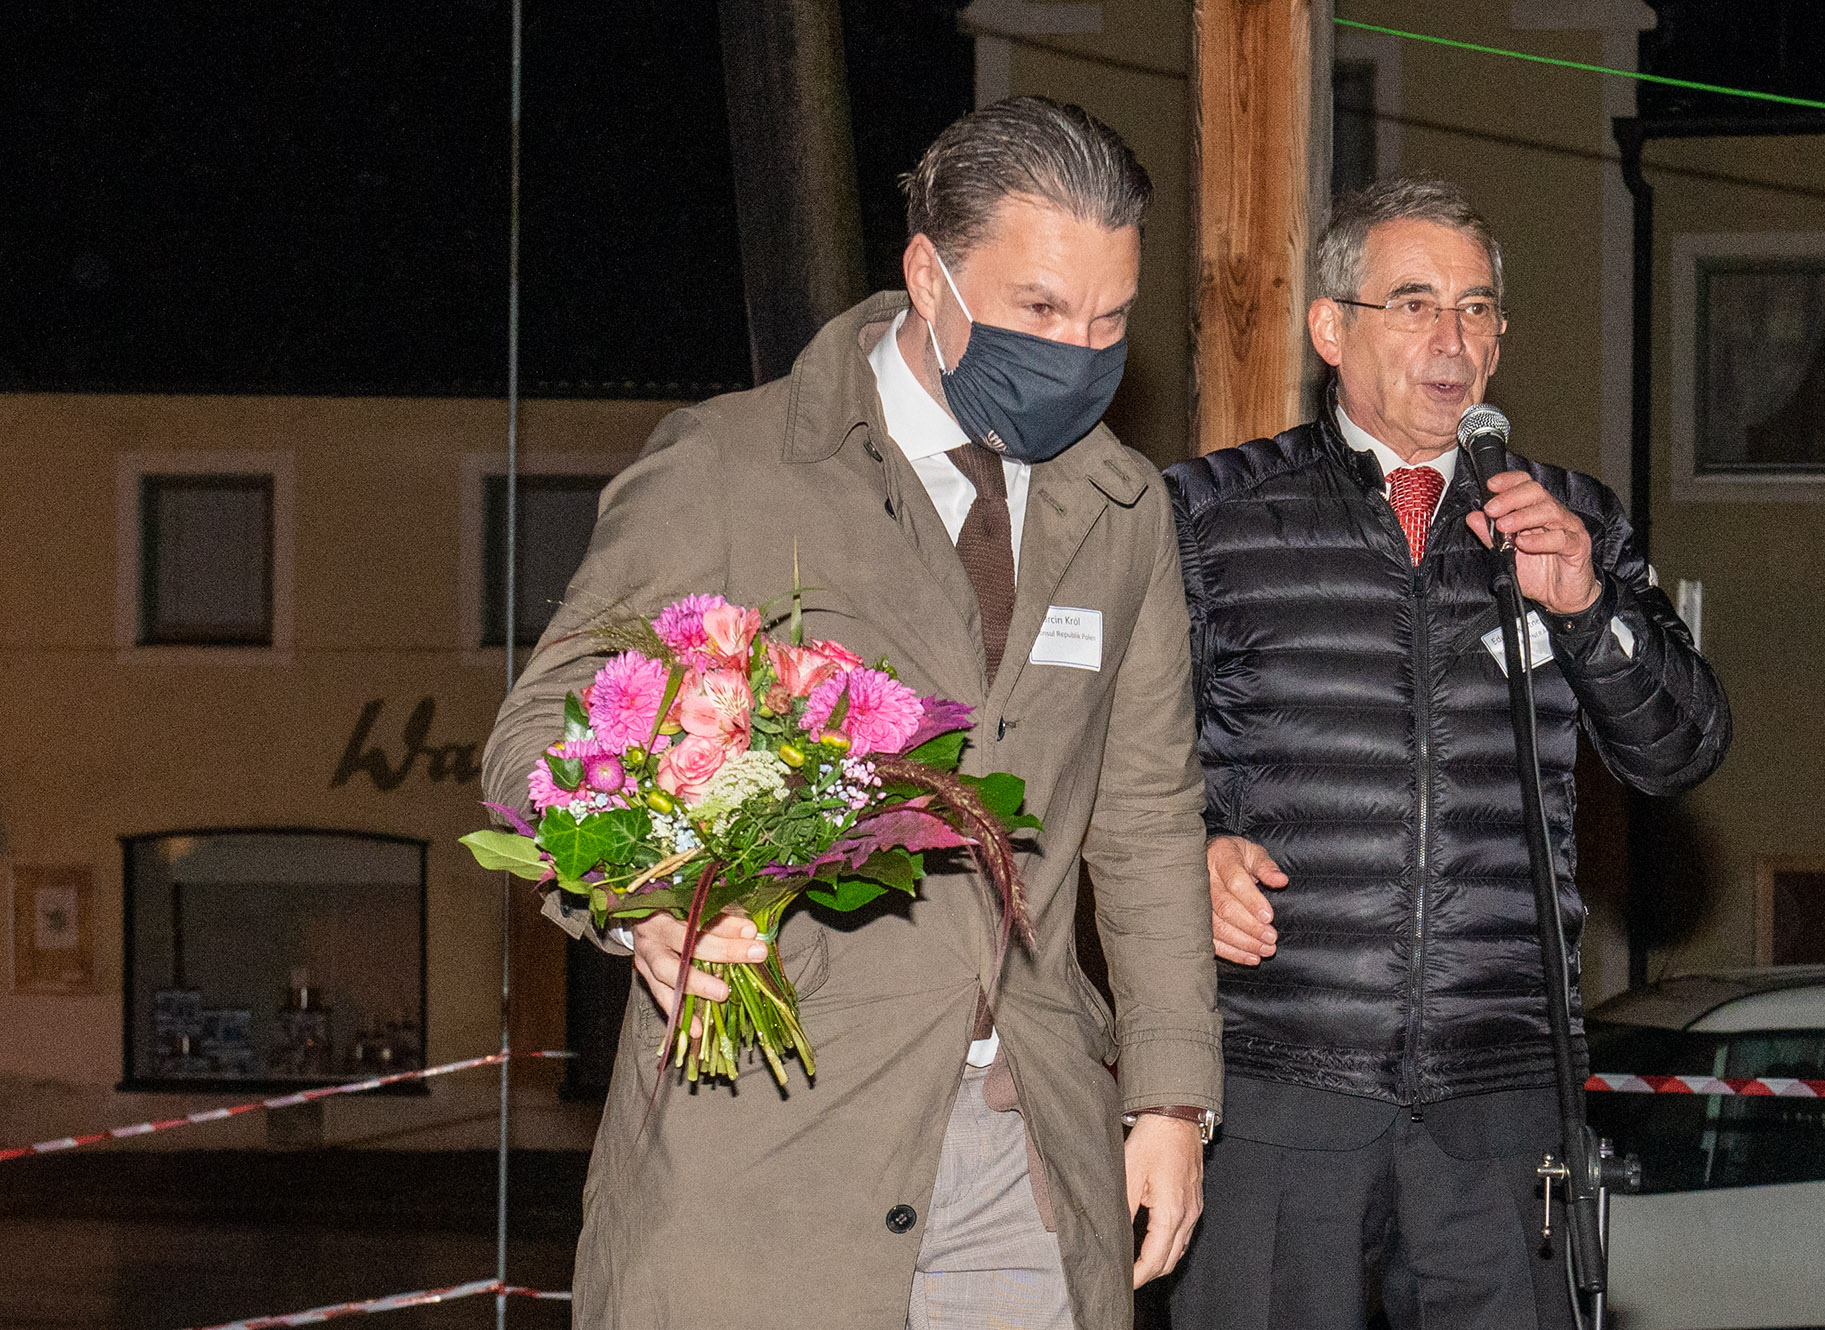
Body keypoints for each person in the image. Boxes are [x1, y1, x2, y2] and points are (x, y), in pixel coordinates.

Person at [483, 97, 1221, 1330]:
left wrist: (1170, 1096)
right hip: (765, 1154)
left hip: (1026, 1152)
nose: (1079, 351)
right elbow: (539, 741)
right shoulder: (728, 466)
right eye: (1041, 311)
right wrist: (645, 898)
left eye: (1109, 320)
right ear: (928, 277)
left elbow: (1145, 818)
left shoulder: (1122, 508)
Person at [1162, 177, 1730, 1330]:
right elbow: (1103, 755)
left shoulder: (1567, 519)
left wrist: (1585, 611)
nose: (1451, 339)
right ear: (1330, 329)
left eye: (1475, 310)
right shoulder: (1210, 515)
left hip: (1498, 1097)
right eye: (1414, 303)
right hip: (1278, 1082)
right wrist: (1186, 856)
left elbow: (1678, 749)